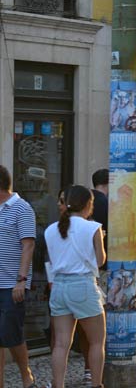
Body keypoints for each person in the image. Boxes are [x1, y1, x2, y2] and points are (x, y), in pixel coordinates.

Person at [45, 186, 106, 388]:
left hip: (59, 286)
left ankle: (58, 385)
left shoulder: (50, 230)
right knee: (96, 341)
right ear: (88, 205)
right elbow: (100, 261)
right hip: (82, 285)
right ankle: (96, 384)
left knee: (61, 343)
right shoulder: (93, 227)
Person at [0, 165, 38, 388]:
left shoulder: (22, 209)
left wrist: (21, 280)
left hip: (11, 284)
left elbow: (28, 245)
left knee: (11, 334)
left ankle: (26, 375)